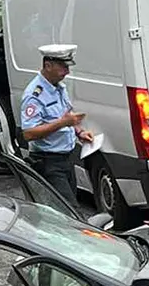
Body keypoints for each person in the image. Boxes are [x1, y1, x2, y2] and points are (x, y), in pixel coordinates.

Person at [19, 44, 94, 205]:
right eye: (63, 67)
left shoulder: (59, 88)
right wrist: (62, 123)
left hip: (66, 159)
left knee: (69, 209)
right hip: (48, 162)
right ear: (48, 65)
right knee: (69, 211)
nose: (67, 72)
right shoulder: (34, 95)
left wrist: (79, 132)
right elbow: (29, 133)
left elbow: (66, 117)